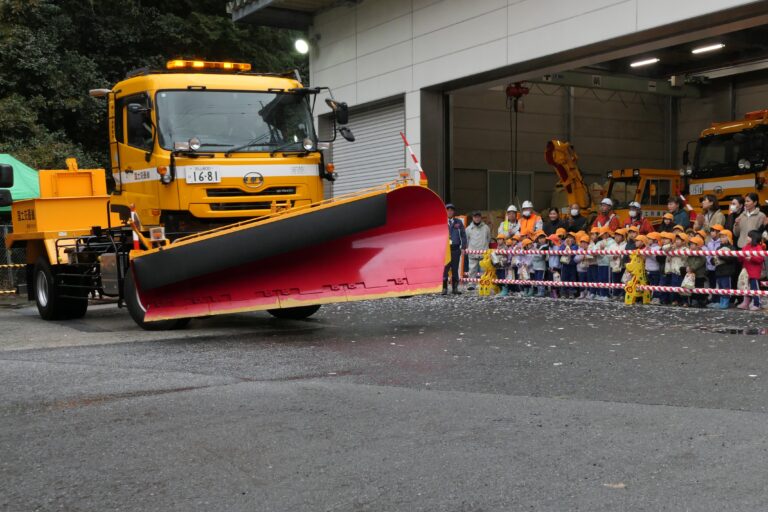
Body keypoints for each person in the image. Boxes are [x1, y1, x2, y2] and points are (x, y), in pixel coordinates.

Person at [737, 229, 765, 311]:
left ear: (754, 238)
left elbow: (760, 259)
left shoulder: (758, 248)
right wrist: (741, 256)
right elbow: (740, 257)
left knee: (754, 288)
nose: (747, 238)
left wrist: (751, 258)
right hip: (746, 271)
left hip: (754, 272)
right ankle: (746, 303)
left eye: (749, 236)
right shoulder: (746, 246)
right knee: (746, 287)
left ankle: (757, 303)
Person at [708, 229, 737, 310]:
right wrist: (713, 260)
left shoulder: (732, 248)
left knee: (726, 287)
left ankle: (726, 302)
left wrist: (721, 255)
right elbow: (713, 259)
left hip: (727, 271)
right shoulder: (718, 248)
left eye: (724, 237)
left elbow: (731, 259)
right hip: (719, 271)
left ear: (729, 238)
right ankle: (721, 301)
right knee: (720, 287)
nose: (722, 239)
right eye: (721, 237)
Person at [442, 203, 467, 295]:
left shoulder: (458, 222)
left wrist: (463, 247)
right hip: (445, 250)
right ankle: (444, 288)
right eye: (448, 210)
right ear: (445, 211)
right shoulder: (442, 221)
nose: (450, 212)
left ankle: (455, 288)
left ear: (454, 212)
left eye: (452, 210)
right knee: (445, 269)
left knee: (455, 269)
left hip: (456, 249)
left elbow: (463, 235)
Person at [465, 211, 491, 285]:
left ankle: (483, 285)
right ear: (473, 218)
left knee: (484, 270)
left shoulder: (486, 228)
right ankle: (471, 284)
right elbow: (466, 240)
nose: (477, 218)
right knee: (472, 270)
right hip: (472, 254)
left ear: (480, 217)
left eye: (478, 217)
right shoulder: (468, 229)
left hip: (484, 254)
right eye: (475, 217)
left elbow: (488, 239)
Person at [686, 236, 708, 308]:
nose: (691, 246)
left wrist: (691, 268)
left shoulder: (701, 254)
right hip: (692, 275)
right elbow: (688, 262)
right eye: (690, 244)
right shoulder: (690, 254)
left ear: (698, 245)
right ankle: (693, 301)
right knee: (692, 288)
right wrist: (688, 267)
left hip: (699, 275)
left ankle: (701, 301)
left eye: (693, 244)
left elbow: (698, 263)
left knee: (699, 288)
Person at [645, 232, 662, 305]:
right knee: (651, 284)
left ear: (655, 240)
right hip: (648, 269)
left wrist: (650, 253)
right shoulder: (648, 247)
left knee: (655, 284)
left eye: (650, 239)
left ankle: (656, 298)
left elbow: (657, 259)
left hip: (655, 269)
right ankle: (652, 297)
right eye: (648, 238)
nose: (648, 240)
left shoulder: (658, 248)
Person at [610, 228, 627, 300]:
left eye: (619, 236)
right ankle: (615, 294)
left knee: (623, 280)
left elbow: (626, 255)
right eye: (615, 236)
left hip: (623, 266)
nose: (616, 237)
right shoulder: (612, 245)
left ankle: (623, 295)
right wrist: (612, 256)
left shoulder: (626, 245)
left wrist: (620, 255)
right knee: (615, 280)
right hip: (614, 266)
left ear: (623, 237)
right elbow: (607, 254)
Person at [531, 230, 549, 297]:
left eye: (543, 238)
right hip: (535, 266)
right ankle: (539, 291)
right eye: (539, 238)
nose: (541, 240)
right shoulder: (536, 246)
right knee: (537, 279)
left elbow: (541, 257)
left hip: (541, 266)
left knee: (541, 279)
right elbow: (533, 256)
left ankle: (542, 291)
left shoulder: (545, 247)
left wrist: (535, 252)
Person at [574, 234, 591, 299]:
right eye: (582, 242)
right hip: (580, 269)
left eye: (585, 243)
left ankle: (588, 293)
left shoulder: (590, 249)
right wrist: (582, 257)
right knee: (581, 281)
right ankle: (582, 293)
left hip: (588, 268)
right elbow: (575, 259)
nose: (583, 244)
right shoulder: (579, 250)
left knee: (589, 281)